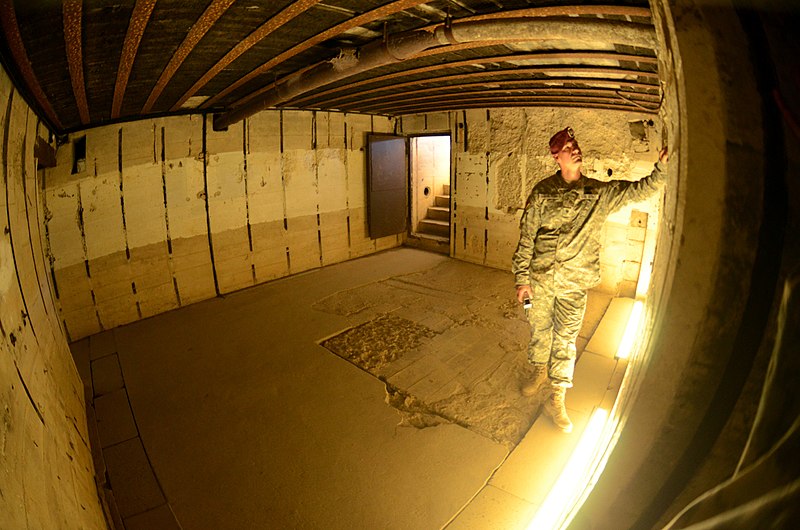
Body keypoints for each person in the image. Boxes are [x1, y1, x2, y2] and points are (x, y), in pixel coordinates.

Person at [512, 126, 668, 433]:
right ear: (557, 157)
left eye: (576, 144)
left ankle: (557, 398)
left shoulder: (598, 193)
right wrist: (522, 279)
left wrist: (661, 169)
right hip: (540, 281)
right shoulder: (543, 192)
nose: (576, 149)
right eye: (569, 147)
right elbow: (527, 237)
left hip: (574, 285)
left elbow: (640, 190)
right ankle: (540, 370)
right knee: (540, 330)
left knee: (566, 340)